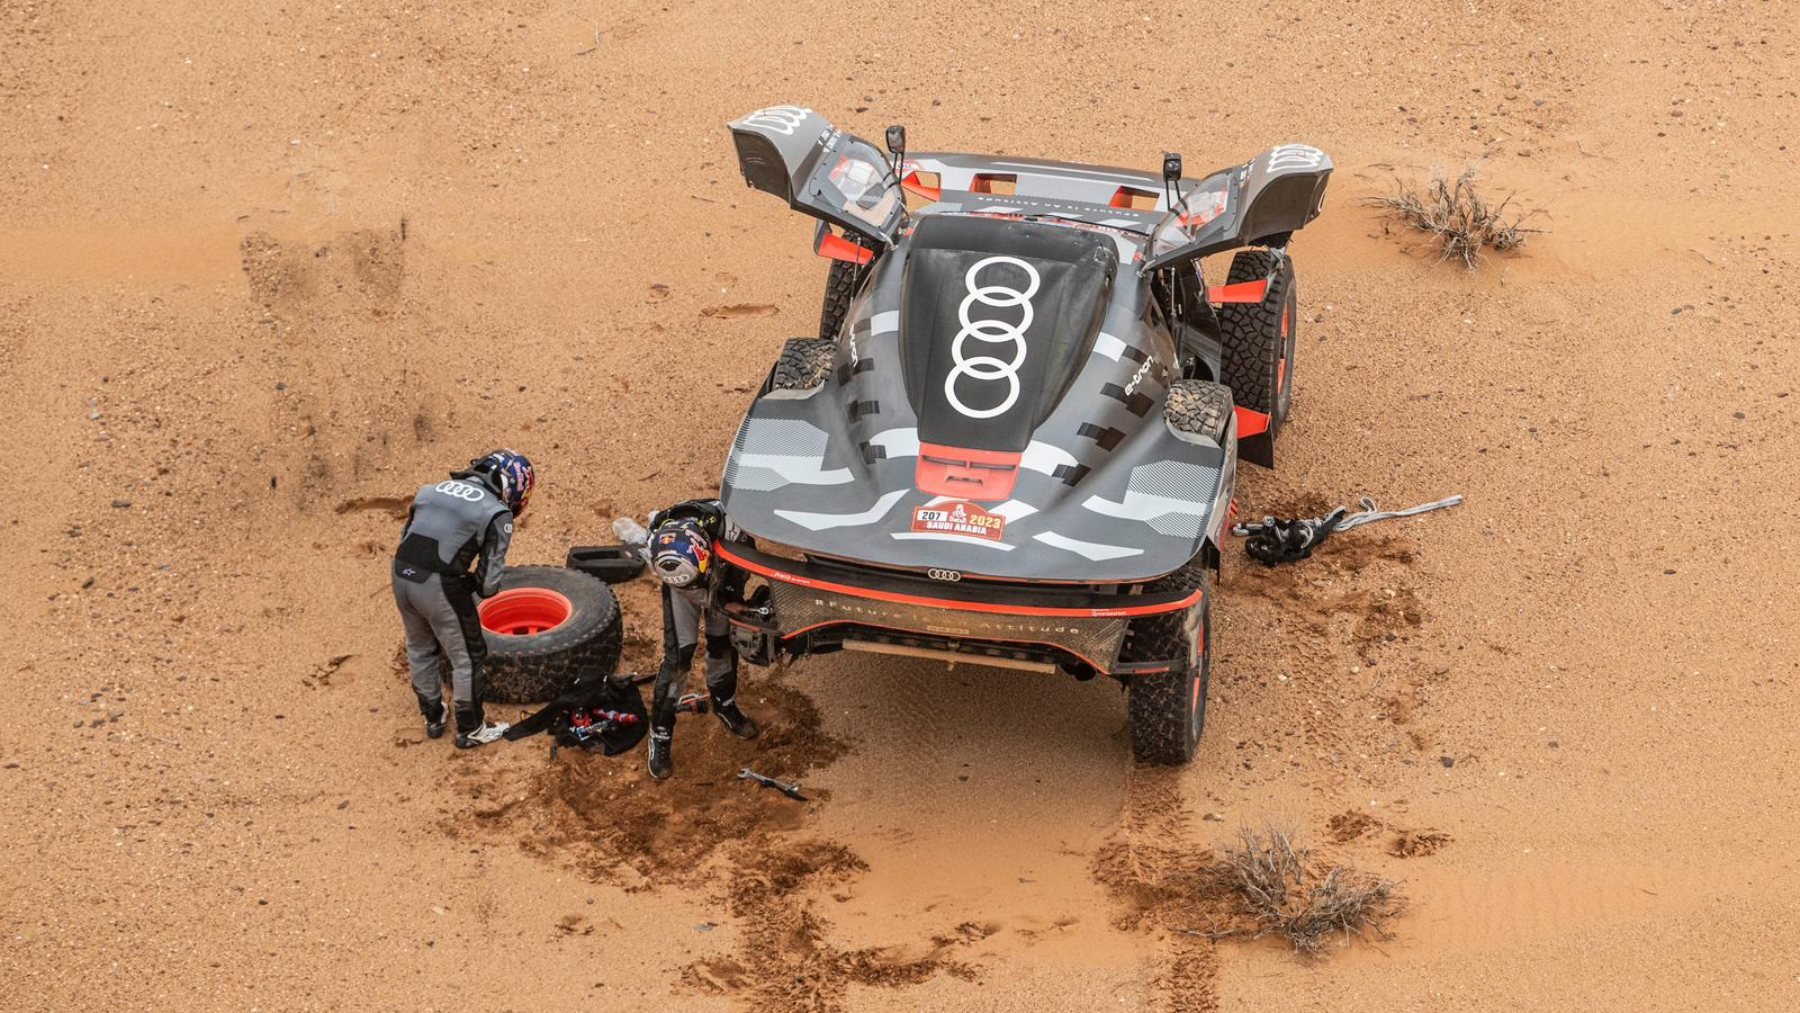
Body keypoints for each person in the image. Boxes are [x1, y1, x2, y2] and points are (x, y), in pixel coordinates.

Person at [392, 449, 534, 749]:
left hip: (401, 573)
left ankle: (433, 717)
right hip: (439, 583)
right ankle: (470, 729)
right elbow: (489, 582)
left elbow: (407, 536)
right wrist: (467, 583)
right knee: (467, 656)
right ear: (514, 486)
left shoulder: (428, 491)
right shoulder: (497, 513)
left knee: (419, 647)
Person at [645, 498, 760, 779]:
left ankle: (725, 704)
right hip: (682, 589)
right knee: (679, 659)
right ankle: (660, 733)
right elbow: (683, 584)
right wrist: (703, 594)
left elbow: (743, 569)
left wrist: (726, 598)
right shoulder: (657, 543)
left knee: (722, 643)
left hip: (725, 573)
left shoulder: (735, 530)